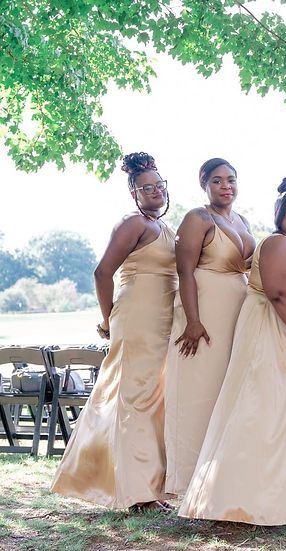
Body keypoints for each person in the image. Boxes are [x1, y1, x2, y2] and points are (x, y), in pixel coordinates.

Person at [179, 177, 286, 525]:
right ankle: (240, 499)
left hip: (282, 334)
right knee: (261, 411)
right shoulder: (277, 243)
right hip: (273, 337)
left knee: (280, 415)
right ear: (278, 213)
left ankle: (281, 496)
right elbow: (278, 293)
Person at [51, 152, 176, 511]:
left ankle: (149, 485)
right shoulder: (132, 224)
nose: (155, 192)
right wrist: (107, 321)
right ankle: (137, 492)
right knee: (135, 399)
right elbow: (102, 273)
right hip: (137, 315)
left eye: (159, 186)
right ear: (133, 194)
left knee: (153, 399)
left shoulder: (166, 227)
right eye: (146, 188)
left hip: (164, 319)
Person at [164, 158, 255, 494]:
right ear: (204, 183)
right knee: (197, 393)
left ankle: (224, 479)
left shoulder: (242, 220)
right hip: (202, 311)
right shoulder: (197, 218)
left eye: (231, 179)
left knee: (226, 391)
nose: (226, 186)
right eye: (217, 181)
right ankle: (189, 482)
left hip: (237, 312)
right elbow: (184, 271)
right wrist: (193, 321)